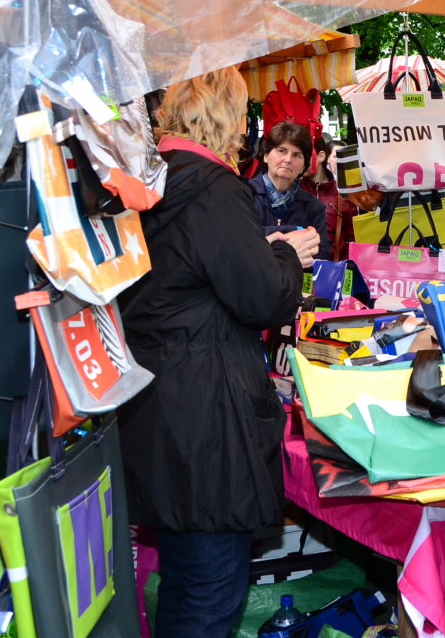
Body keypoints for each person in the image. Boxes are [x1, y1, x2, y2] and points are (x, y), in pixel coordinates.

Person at [118, 67, 313, 637]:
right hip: (207, 412)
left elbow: (187, 274)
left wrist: (260, 249)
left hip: (155, 400)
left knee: (184, 581)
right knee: (211, 588)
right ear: (231, 118)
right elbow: (263, 298)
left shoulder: (151, 179)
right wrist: (287, 256)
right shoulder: (214, 186)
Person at [250, 121, 330, 261]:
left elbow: (321, 253)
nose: (288, 159)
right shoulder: (244, 194)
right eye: (282, 151)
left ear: (304, 166)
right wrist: (294, 231)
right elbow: (237, 239)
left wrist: (267, 237)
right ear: (266, 155)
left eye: (297, 155)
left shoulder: (313, 207)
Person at [300, 132, 358, 260]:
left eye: (305, 156)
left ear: (321, 156)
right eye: (297, 155)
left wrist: (345, 267)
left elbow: (352, 239)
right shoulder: (293, 190)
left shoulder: (343, 193)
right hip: (299, 267)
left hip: (333, 267)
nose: (299, 162)